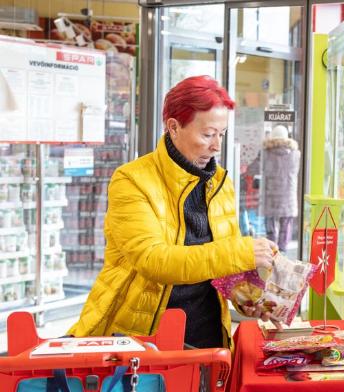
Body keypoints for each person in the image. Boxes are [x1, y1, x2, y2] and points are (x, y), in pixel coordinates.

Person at [69, 75, 278, 350]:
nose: (216, 146)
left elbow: (222, 264)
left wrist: (249, 299)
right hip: (139, 341)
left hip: (207, 338)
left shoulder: (221, 183)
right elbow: (153, 260)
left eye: (221, 135)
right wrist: (240, 253)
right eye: (207, 134)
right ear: (174, 127)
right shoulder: (132, 180)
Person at [248, 125, 301, 252]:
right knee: (286, 224)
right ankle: (283, 250)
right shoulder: (296, 154)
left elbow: (252, 169)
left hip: (270, 195)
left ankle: (272, 251)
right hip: (288, 195)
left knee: (270, 225)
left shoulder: (265, 153)